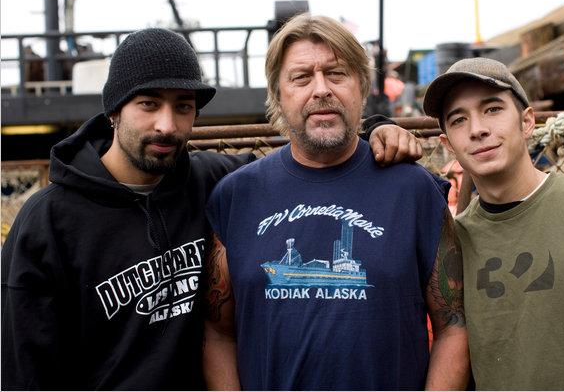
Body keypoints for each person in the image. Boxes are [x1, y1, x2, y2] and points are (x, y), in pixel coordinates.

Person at [1, 27, 422, 390]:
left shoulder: (213, 182)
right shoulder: (48, 222)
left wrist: (376, 127)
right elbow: (22, 369)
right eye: (148, 104)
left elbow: (304, 162)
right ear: (114, 110)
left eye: (183, 106)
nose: (167, 125)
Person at [202, 13, 470, 391]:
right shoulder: (235, 197)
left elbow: (453, 327)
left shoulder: (415, 192)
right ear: (277, 95)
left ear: (362, 87)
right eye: (301, 77)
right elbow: (218, 333)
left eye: (337, 74)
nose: (321, 89)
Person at [423, 57, 564, 390]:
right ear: (448, 145)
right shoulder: (453, 242)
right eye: (459, 120)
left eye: (492, 109)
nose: (477, 129)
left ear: (527, 122)